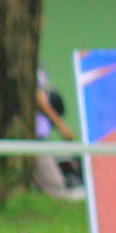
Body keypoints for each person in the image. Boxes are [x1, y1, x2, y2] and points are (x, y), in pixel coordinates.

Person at [33, 68, 86, 202]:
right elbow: (38, 97)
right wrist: (61, 126)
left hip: (40, 137)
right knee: (57, 192)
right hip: (35, 140)